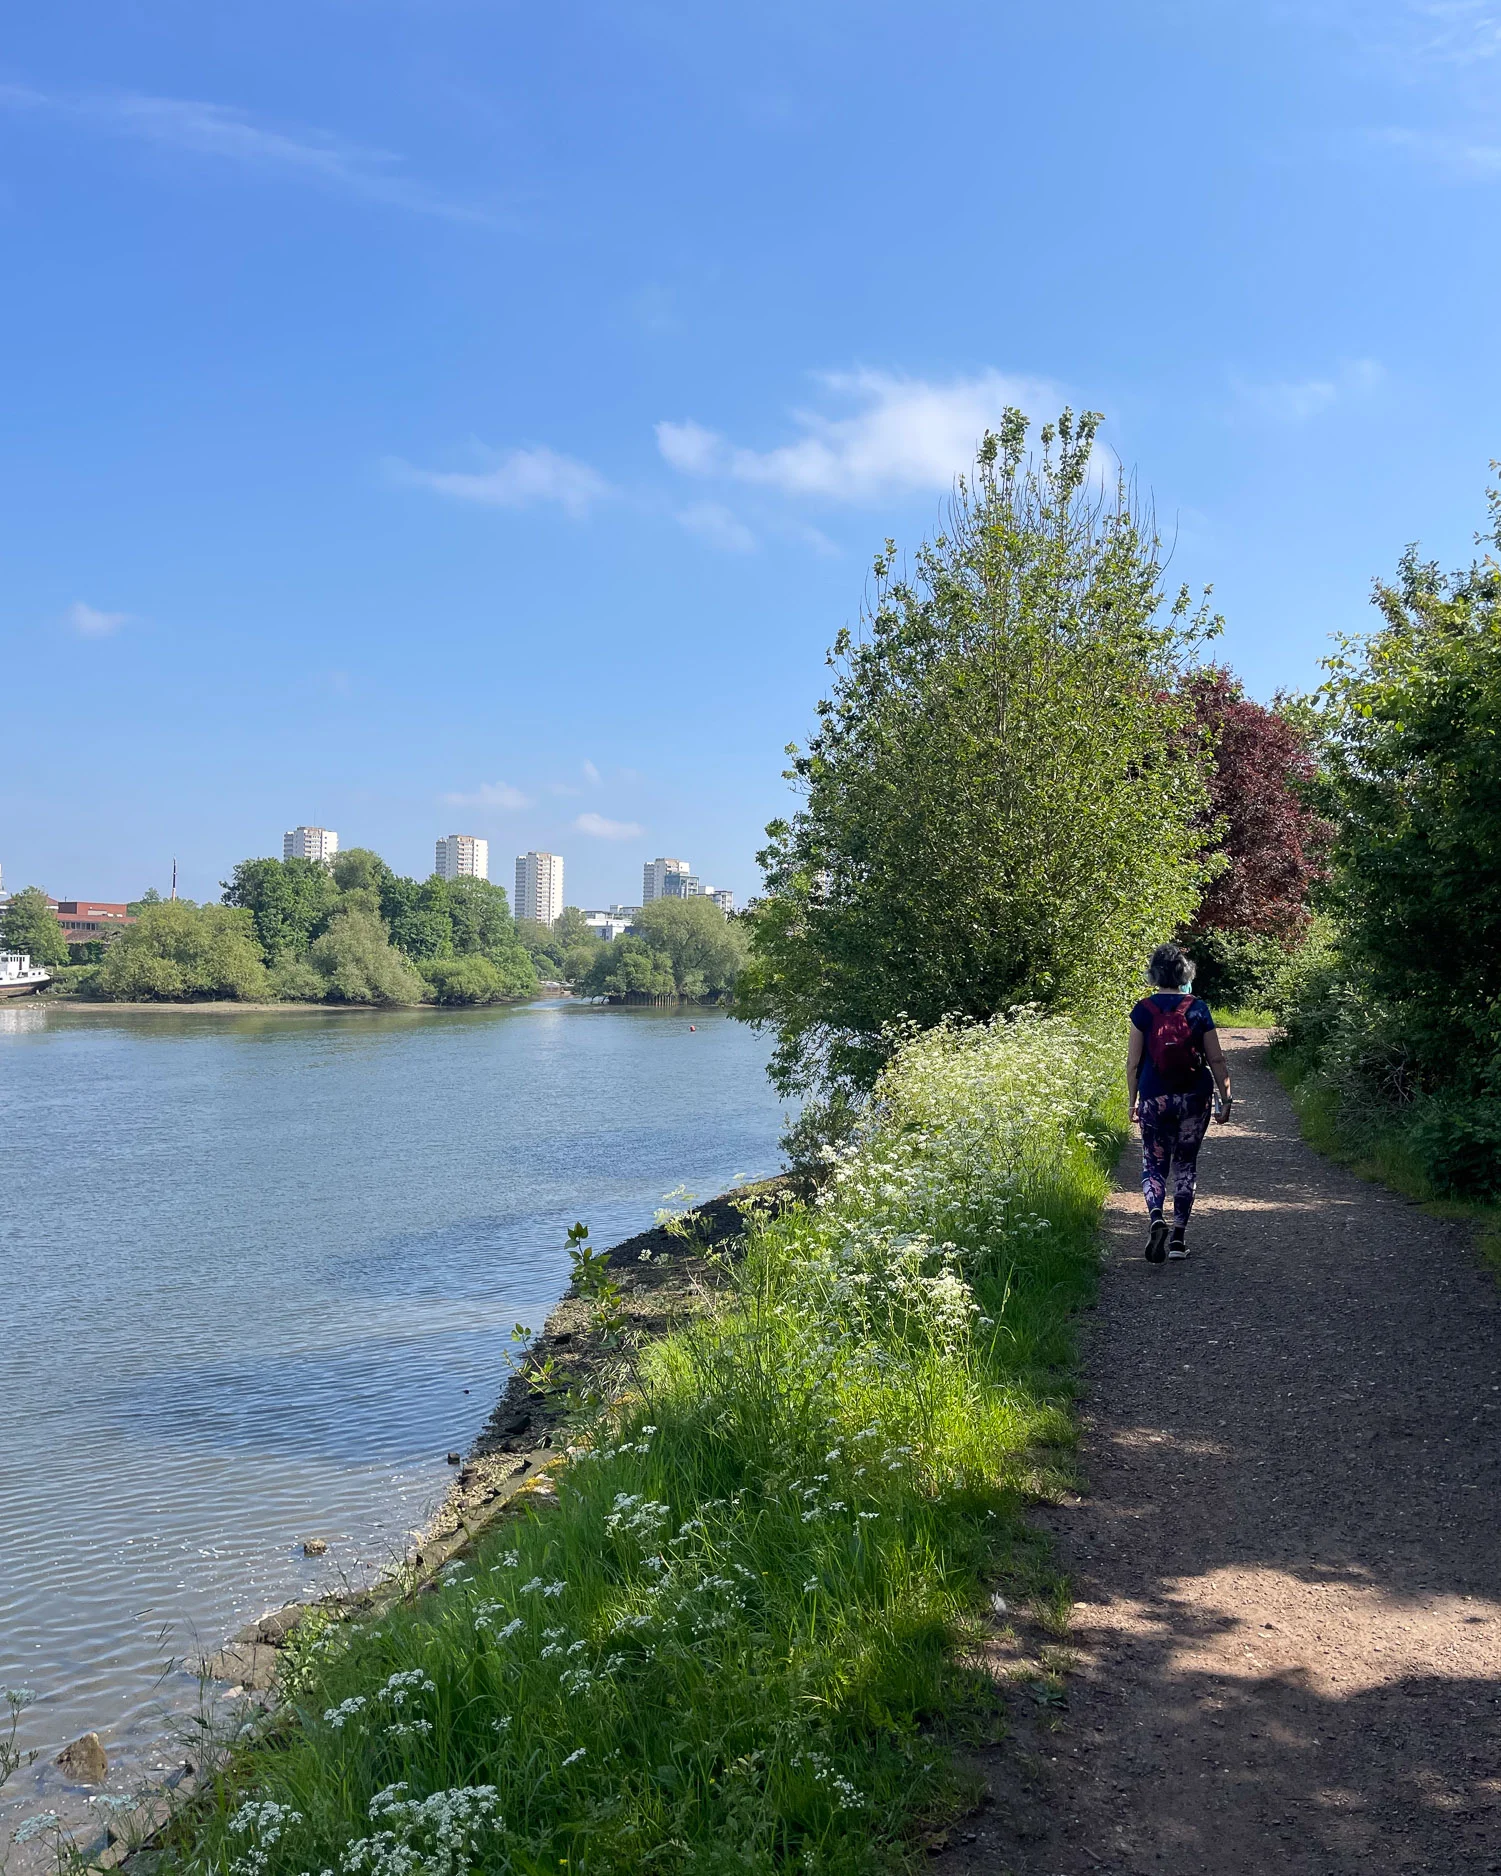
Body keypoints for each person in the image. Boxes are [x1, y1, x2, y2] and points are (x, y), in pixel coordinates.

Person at [1125, 941, 1233, 1263]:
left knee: (1153, 1163)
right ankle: (1177, 1240)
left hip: (1154, 1097)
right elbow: (1216, 1058)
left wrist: (1132, 1102)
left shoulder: (1143, 1010)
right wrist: (1226, 1097)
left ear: (1153, 974)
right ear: (1184, 973)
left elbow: (1133, 1063)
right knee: (1185, 1165)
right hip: (1194, 1098)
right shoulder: (1198, 1008)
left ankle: (1156, 1215)